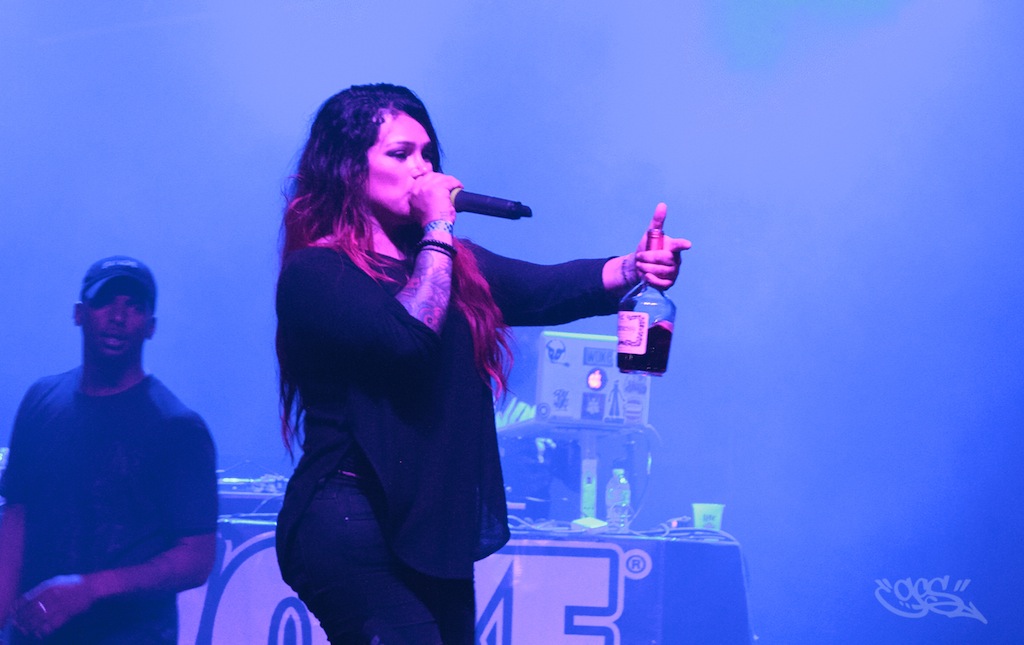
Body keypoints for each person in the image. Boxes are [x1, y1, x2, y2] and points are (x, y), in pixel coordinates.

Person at [274, 83, 691, 645]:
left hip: (429, 526)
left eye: (428, 153)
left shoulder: (454, 265)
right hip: (349, 516)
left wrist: (634, 267)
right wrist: (439, 229)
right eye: (400, 154)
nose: (423, 169)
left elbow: (546, 288)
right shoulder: (317, 273)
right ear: (349, 169)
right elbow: (407, 339)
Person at [0, 256, 219, 644]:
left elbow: (196, 558)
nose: (118, 317)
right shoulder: (40, 400)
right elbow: (16, 517)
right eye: (105, 302)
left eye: (134, 306)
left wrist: (90, 589)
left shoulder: (178, 428)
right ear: (79, 314)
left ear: (150, 326)